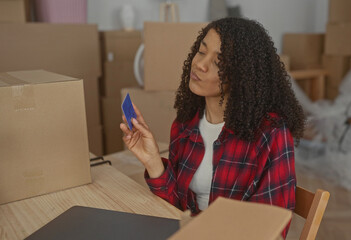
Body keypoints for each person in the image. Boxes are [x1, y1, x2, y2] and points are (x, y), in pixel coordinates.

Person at [120, 17, 305, 238]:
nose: (200, 64)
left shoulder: (271, 134)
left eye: (219, 62)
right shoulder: (185, 124)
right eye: (201, 51)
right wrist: (152, 161)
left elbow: (270, 231)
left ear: (242, 76)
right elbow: (178, 208)